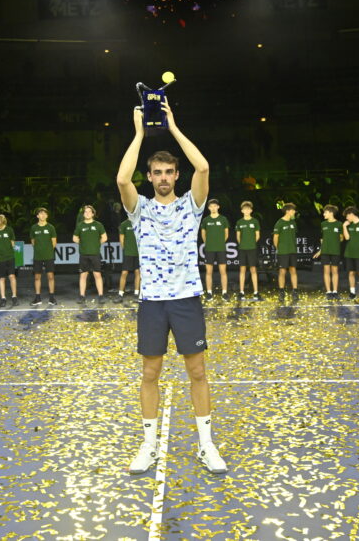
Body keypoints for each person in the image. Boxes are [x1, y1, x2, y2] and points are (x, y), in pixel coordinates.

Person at [117, 100, 227, 475]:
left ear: (176, 175)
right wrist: (139, 134)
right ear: (149, 176)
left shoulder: (193, 207)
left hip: (185, 299)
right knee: (150, 374)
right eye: (157, 172)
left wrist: (174, 126)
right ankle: (148, 446)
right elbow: (121, 180)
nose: (163, 177)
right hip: (153, 302)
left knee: (197, 372)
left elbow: (204, 166)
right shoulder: (140, 209)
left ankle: (206, 445)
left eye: (168, 171)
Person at [74, 205, 107, 304]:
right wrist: (83, 243)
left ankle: (101, 296)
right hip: (84, 254)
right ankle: (82, 296)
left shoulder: (98, 225)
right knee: (83, 275)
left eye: (89, 212)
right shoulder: (80, 225)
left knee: (97, 274)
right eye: (85, 212)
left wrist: (96, 244)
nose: (87, 213)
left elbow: (104, 237)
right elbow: (75, 238)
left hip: (95, 254)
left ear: (93, 214)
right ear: (83, 214)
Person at [200, 200, 230, 300]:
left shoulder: (223, 219)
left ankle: (224, 293)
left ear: (218, 207)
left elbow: (226, 234)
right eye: (211, 206)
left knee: (223, 271)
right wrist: (208, 243)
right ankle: (209, 293)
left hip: (221, 248)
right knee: (208, 271)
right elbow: (203, 234)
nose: (213, 208)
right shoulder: (206, 220)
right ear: (208, 208)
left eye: (214, 206)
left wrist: (220, 242)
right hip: (209, 249)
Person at [311, 204, 341, 300]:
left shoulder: (339, 224)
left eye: (325, 212)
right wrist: (320, 251)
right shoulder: (323, 224)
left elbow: (341, 238)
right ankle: (328, 292)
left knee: (335, 271)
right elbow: (322, 240)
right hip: (325, 252)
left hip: (335, 251)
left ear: (331, 213)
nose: (324, 214)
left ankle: (335, 291)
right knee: (326, 271)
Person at [235, 201, 262, 300]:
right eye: (244, 209)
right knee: (242, 270)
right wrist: (243, 244)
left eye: (248, 209)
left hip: (252, 249)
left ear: (251, 210)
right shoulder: (239, 222)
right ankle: (241, 292)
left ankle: (256, 292)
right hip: (242, 249)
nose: (246, 210)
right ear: (242, 211)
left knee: (253, 269)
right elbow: (238, 236)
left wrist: (251, 243)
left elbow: (257, 235)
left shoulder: (255, 221)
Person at [31, 208, 58, 306]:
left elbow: (54, 243)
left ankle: (52, 298)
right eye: (40, 214)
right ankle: (37, 298)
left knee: (50, 277)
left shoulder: (51, 227)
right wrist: (40, 250)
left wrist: (47, 251)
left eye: (44, 214)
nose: (42, 215)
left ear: (47, 216)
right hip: (37, 256)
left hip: (49, 256)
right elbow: (33, 242)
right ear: (37, 216)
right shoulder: (34, 228)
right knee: (37, 277)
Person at [0, 214, 18, 308]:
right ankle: (3, 298)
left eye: (1, 223)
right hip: (0, 259)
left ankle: (14, 297)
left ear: (4, 222)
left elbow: (13, 243)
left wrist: (7, 251)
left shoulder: (9, 230)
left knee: (12, 276)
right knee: (1, 278)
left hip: (10, 257)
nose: (0, 225)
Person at [273, 203, 298, 303]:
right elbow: (275, 238)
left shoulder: (293, 222)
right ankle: (281, 291)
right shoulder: (279, 223)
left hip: (292, 250)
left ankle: (295, 291)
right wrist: (279, 248)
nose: (294, 212)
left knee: (293, 270)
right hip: (283, 251)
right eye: (293, 210)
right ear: (287, 211)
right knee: (282, 271)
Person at [117, 217, 139, 302]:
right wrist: (125, 250)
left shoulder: (140, 222)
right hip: (128, 253)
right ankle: (120, 294)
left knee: (138, 272)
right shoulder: (124, 224)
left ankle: (136, 293)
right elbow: (121, 239)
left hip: (138, 253)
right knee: (124, 273)